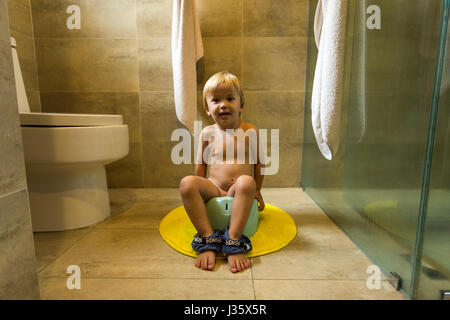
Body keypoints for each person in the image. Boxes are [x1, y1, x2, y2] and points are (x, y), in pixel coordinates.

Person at [179, 71, 265, 273]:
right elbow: (201, 164)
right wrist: (198, 192)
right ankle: (208, 237)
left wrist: (258, 190)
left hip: (238, 189)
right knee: (187, 183)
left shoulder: (249, 131)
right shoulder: (207, 133)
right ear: (208, 109)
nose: (223, 104)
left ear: (241, 105)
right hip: (215, 188)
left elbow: (259, 164)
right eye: (215, 100)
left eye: (229, 99)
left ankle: (233, 240)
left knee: (247, 182)